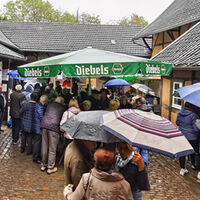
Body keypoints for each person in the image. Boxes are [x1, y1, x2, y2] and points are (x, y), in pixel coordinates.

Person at [64, 148, 133, 200]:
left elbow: (74, 198)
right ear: (112, 164)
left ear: (96, 163)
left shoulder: (87, 178)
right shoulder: (124, 184)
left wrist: (68, 191)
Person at [40, 96, 66, 174]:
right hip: (54, 128)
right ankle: (50, 167)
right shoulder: (62, 107)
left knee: (44, 146)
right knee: (52, 148)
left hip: (44, 125)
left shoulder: (49, 104)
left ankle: (43, 165)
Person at [176, 102, 200, 181]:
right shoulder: (194, 115)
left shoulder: (180, 112)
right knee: (195, 152)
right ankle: (195, 167)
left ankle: (182, 169)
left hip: (182, 135)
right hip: (192, 137)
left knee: (182, 152)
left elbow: (177, 122)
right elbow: (196, 128)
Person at [32, 95, 48, 163]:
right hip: (38, 127)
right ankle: (36, 157)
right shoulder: (40, 108)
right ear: (44, 101)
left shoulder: (37, 105)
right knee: (37, 143)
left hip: (35, 126)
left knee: (36, 142)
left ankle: (35, 156)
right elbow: (41, 117)